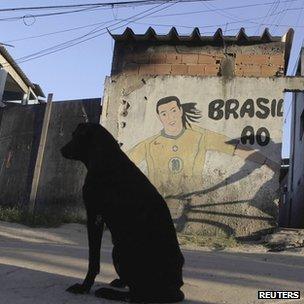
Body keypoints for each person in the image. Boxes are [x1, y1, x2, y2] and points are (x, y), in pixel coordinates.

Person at [126, 96, 236, 197]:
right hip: (158, 203)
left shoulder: (200, 136)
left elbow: (234, 147)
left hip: (193, 201)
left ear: (180, 111)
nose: (170, 117)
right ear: (158, 116)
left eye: (173, 111)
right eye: (164, 114)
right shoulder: (149, 144)